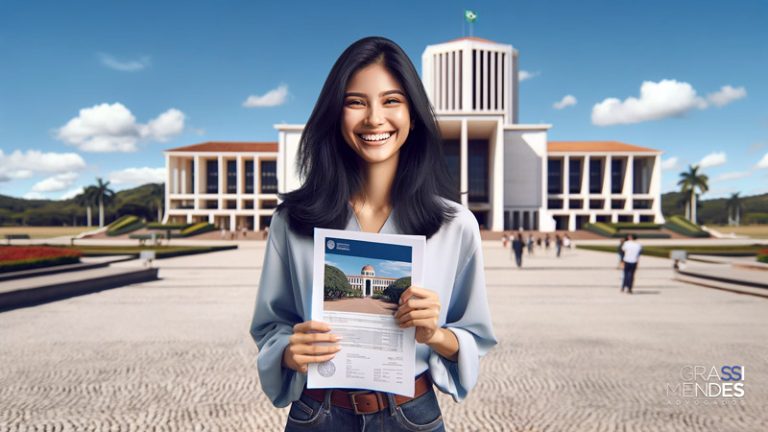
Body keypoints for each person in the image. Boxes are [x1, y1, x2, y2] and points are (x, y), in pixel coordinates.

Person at [249, 37, 497, 432]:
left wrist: (435, 334)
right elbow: (269, 327)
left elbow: (474, 335)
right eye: (355, 102)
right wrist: (289, 352)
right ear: (336, 114)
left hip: (410, 413)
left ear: (413, 115)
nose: (374, 118)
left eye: (392, 100)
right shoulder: (293, 221)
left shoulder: (455, 224)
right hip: (317, 413)